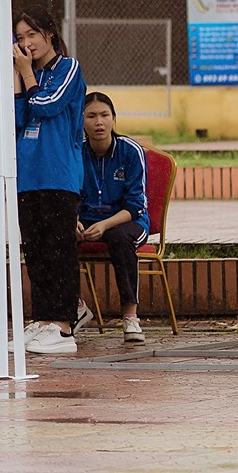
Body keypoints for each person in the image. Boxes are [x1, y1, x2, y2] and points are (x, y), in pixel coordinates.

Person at [14, 6, 87, 356]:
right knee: (36, 251)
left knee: (59, 250)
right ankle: (43, 320)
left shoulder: (68, 68)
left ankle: (63, 325)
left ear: (50, 34)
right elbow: (17, 119)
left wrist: (27, 74)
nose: (27, 43)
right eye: (20, 37)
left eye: (32, 35)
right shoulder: (26, 73)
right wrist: (18, 80)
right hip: (27, 175)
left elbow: (46, 105)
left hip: (58, 173)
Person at [77, 91, 149, 344]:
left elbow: (136, 205)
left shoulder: (131, 151)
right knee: (58, 234)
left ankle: (130, 316)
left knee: (120, 238)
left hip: (127, 221)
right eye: (91, 116)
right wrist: (73, 220)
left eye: (104, 115)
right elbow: (68, 195)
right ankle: (74, 307)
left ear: (114, 119)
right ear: (80, 121)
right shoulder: (75, 152)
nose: (99, 122)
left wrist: (105, 224)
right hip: (87, 219)